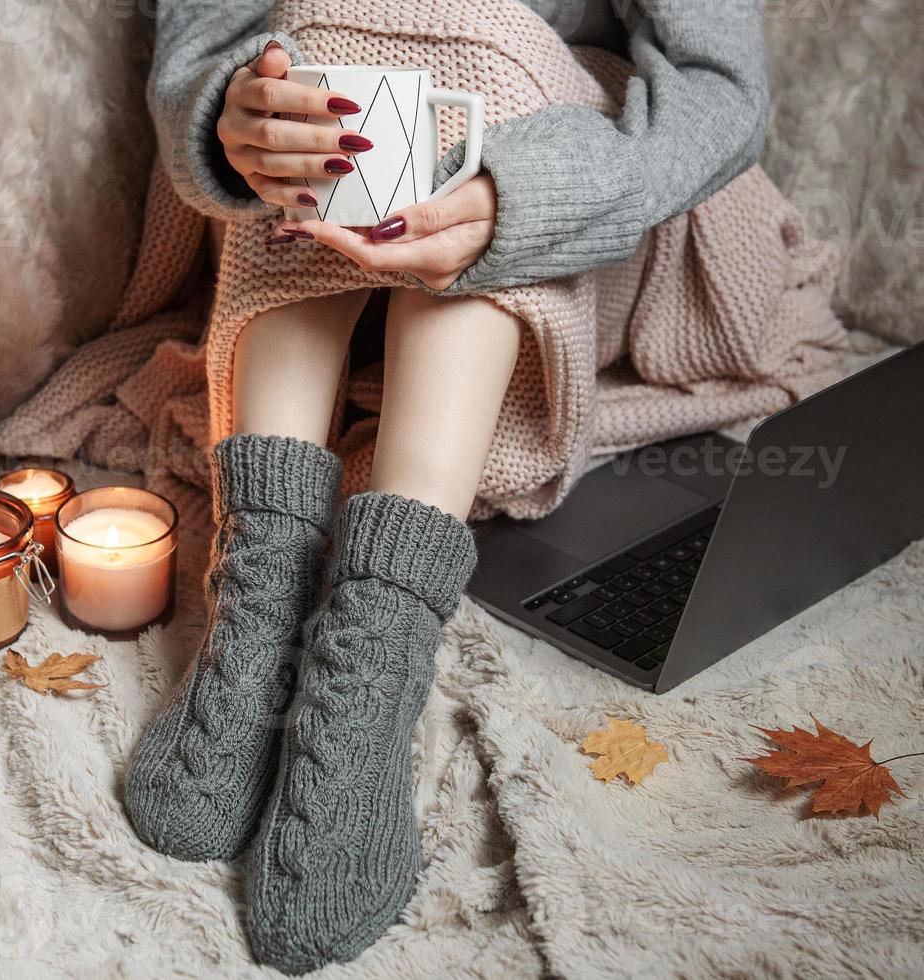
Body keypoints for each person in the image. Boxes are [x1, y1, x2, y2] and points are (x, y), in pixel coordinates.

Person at [123, 0, 769, 972]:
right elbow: (206, 33)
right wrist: (227, 110)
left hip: (574, 212)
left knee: (481, 47)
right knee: (313, 48)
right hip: (292, 230)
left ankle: (373, 661)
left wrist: (529, 192)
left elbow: (721, 88)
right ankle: (257, 608)